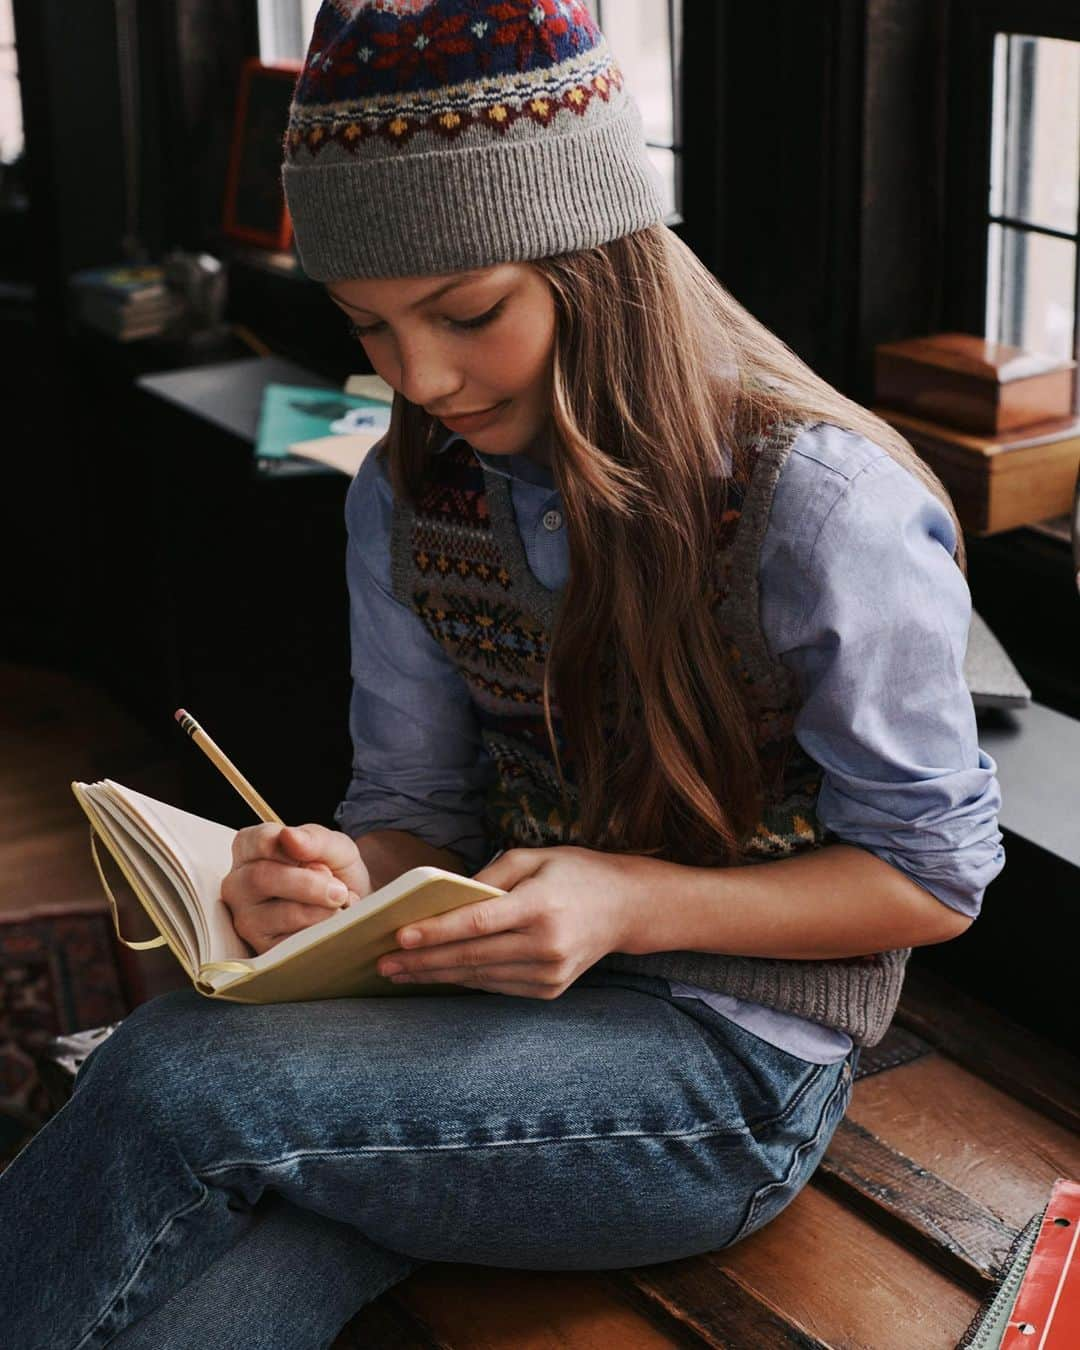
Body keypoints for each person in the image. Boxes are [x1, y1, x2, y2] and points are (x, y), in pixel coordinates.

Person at [0, 3, 1005, 1346]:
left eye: (465, 311)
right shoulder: (410, 497)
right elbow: (419, 811)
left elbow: (932, 879)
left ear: (595, 261)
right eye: (367, 325)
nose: (419, 378)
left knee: (177, 1075)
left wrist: (626, 904)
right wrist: (342, 881)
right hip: (478, 1021)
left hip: (732, 1077)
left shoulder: (820, 507)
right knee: (213, 1291)